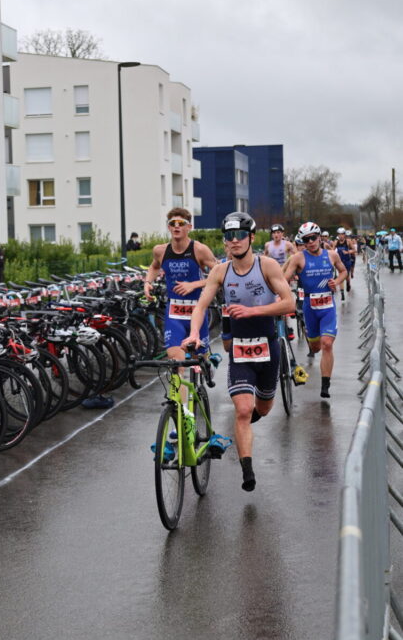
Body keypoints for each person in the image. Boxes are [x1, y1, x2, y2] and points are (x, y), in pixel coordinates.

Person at [187, 212, 295, 492]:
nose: (234, 241)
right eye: (229, 236)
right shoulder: (220, 272)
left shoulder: (267, 265)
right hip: (240, 350)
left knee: (263, 408)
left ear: (251, 238)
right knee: (243, 410)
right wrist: (194, 333)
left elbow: (289, 303)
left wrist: (253, 311)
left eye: (239, 235)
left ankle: (251, 418)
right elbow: (200, 306)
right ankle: (247, 470)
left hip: (268, 347)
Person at [142, 207, 219, 362]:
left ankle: (205, 364)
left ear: (189, 227)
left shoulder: (199, 249)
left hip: (197, 309)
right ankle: (178, 379)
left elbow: (220, 274)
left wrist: (194, 284)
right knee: (175, 359)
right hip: (174, 312)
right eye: (173, 223)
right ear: (169, 227)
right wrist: (148, 282)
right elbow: (154, 267)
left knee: (200, 359)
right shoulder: (160, 250)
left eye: (181, 223)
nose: (176, 226)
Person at [283, 221, 348, 400]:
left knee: (327, 344)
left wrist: (337, 281)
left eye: (313, 238)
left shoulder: (332, 255)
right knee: (316, 347)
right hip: (309, 308)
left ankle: (325, 384)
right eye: (306, 240)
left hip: (328, 307)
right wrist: (282, 295)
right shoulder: (298, 258)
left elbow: (343, 271)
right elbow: (284, 280)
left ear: (319, 237)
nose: (310, 242)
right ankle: (309, 335)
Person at [333, 227, 354, 296]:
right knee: (341, 276)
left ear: (344, 234)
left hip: (347, 261)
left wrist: (347, 252)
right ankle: (342, 293)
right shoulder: (336, 242)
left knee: (347, 276)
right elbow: (332, 251)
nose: (341, 236)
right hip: (340, 262)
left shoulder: (348, 241)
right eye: (339, 234)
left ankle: (348, 283)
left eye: (342, 234)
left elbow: (354, 250)